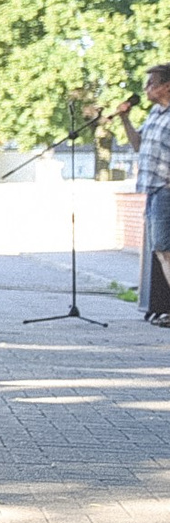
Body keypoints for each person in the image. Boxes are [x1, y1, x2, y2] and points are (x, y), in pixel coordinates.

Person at [114, 64, 170, 327]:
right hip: (153, 189)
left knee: (165, 250)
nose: (146, 88)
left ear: (167, 86)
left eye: (152, 83)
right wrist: (125, 118)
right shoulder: (156, 114)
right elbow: (138, 144)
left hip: (166, 190)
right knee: (162, 251)